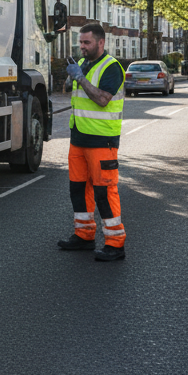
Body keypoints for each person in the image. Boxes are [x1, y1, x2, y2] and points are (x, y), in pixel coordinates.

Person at [57, 23, 127, 262]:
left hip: (101, 141)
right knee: (78, 189)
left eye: (87, 43)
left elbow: (102, 99)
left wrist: (80, 77)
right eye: (81, 43)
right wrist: (72, 77)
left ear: (101, 43)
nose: (82, 47)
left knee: (104, 192)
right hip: (78, 139)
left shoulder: (112, 67)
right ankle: (84, 235)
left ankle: (115, 244)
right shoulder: (84, 64)